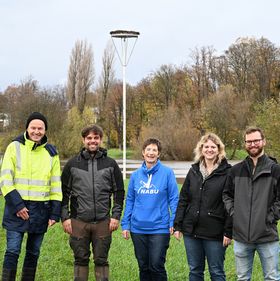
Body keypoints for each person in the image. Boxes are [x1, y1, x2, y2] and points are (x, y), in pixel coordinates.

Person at [0, 112, 62, 281]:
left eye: (40, 128)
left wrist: (55, 213)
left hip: (41, 210)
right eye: (33, 127)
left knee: (33, 253)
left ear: (45, 130)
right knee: (12, 250)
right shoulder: (14, 146)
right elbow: (5, 179)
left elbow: (56, 184)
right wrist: (18, 205)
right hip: (16, 208)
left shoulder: (52, 152)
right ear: (27, 128)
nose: (36, 131)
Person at [61, 124, 124, 281]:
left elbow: (119, 192)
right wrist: (65, 217)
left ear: (100, 140)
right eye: (89, 138)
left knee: (101, 260)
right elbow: (63, 194)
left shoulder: (111, 164)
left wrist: (115, 216)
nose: (93, 141)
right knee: (80, 259)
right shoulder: (72, 164)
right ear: (83, 140)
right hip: (78, 221)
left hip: (103, 221)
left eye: (96, 138)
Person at [223, 127, 280, 281]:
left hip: (267, 236)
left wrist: (270, 217)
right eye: (249, 141)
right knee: (242, 278)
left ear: (264, 142)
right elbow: (227, 195)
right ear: (245, 144)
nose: (253, 144)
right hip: (241, 238)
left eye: (256, 140)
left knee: (272, 278)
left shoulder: (275, 170)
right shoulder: (236, 170)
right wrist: (236, 214)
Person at [173, 133, 232, 281]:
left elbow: (232, 203)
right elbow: (184, 199)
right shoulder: (194, 171)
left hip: (215, 233)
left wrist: (228, 231)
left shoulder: (228, 172)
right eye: (206, 147)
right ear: (201, 149)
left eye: (213, 147)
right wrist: (178, 225)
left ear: (219, 150)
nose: (209, 150)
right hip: (192, 231)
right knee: (195, 271)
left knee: (216, 272)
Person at [121, 138, 179, 281]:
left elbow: (174, 199)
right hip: (138, 228)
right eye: (148, 149)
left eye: (154, 150)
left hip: (159, 228)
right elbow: (130, 201)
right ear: (143, 152)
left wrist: (174, 222)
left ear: (158, 154)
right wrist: (125, 224)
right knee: (143, 266)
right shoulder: (135, 176)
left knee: (156, 266)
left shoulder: (167, 173)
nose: (151, 153)